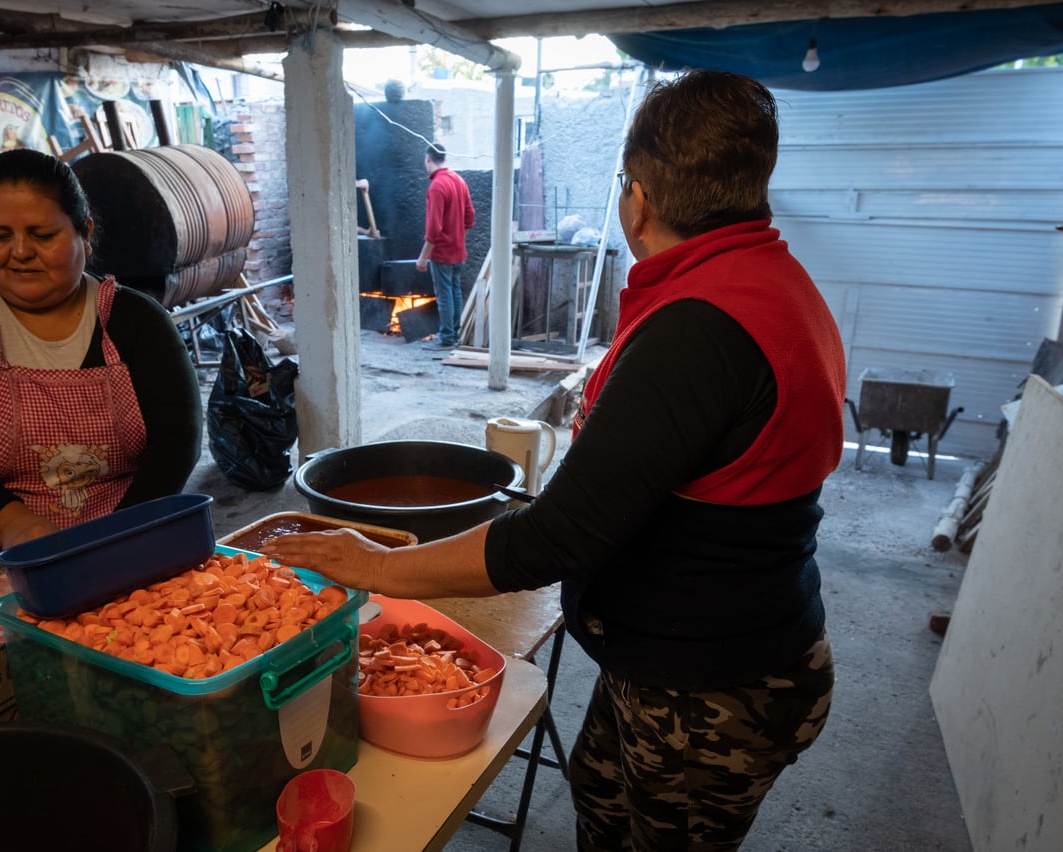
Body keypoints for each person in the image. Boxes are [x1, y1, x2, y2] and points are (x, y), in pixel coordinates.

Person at [266, 70, 846, 851]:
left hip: (710, 685)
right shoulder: (770, 282)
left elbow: (550, 543)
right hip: (682, 650)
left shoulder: (701, 331)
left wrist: (371, 563)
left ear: (637, 198)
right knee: (601, 808)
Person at [0, 148, 202, 598]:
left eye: (42, 234)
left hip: (127, 548)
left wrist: (119, 537)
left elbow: (178, 436)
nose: (19, 253)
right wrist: (15, 524)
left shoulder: (135, 320)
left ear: (84, 233)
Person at [415, 143, 474, 351]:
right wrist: (458, 237)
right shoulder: (459, 180)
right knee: (455, 291)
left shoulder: (437, 186)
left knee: (445, 295)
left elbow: (433, 228)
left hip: (442, 253)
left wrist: (423, 257)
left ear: (428, 159)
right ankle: (455, 334)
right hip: (459, 251)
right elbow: (470, 217)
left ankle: (447, 337)